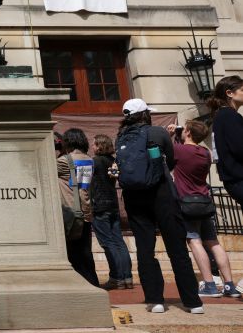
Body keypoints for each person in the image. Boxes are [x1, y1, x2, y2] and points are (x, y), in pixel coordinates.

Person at [117, 99, 203, 314]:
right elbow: (172, 161)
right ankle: (192, 302)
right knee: (177, 248)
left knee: (145, 249)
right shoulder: (158, 133)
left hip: (134, 197)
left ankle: (155, 300)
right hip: (162, 193)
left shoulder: (122, 137)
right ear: (145, 114)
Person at [168, 120, 239, 299]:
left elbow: (168, 153)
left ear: (189, 132)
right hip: (204, 201)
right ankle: (229, 284)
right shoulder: (205, 153)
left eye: (184, 129)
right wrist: (179, 135)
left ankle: (209, 284)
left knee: (194, 241)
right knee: (213, 242)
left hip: (186, 202)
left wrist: (170, 136)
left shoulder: (180, 150)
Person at [90, 134, 133, 290]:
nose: (92, 147)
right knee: (118, 241)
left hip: (99, 205)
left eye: (94, 144)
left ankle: (116, 278)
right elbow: (113, 179)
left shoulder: (94, 162)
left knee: (107, 243)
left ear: (99, 146)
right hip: (113, 204)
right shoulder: (113, 161)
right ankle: (127, 277)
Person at [56, 128, 98, 287]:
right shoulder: (89, 159)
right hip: (85, 209)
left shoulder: (64, 161)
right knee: (86, 253)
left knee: (74, 254)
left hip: (70, 212)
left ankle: (84, 286)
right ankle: (93, 284)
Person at [207, 76, 243, 209]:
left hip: (233, 180)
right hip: (239, 178)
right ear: (229, 93)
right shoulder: (229, 116)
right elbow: (240, 148)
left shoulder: (221, 115)